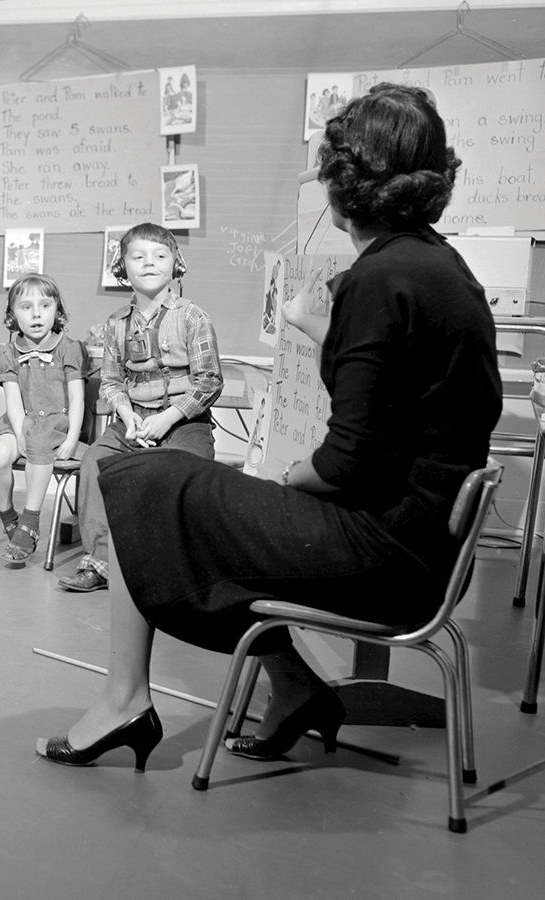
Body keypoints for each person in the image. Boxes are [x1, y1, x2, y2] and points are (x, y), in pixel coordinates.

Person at [37, 83, 501, 772]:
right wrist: (314, 324)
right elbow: (394, 384)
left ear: (344, 183)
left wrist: (285, 479)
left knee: (141, 479)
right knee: (175, 493)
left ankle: (126, 700)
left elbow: (343, 463)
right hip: (421, 547)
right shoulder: (432, 266)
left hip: (384, 559)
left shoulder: (383, 278)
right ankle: (295, 687)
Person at [58, 222, 223, 592]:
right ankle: (100, 564)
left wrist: (168, 418)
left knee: (182, 472)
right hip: (134, 422)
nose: (149, 263)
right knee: (93, 462)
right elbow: (114, 382)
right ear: (122, 267)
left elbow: (210, 382)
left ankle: (173, 570)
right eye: (138, 256)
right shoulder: (116, 324)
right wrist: (127, 414)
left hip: (184, 421)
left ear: (176, 265)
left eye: (160, 256)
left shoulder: (193, 317)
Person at [0, 274, 85, 564]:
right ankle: (11, 519)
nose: (36, 314)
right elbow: (12, 400)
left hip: (56, 425)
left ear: (57, 311)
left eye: (45, 305)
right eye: (26, 307)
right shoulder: (7, 352)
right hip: (19, 421)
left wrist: (73, 436)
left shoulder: (68, 348)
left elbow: (76, 397)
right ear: (12, 316)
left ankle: (31, 521)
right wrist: (20, 433)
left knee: (39, 440)